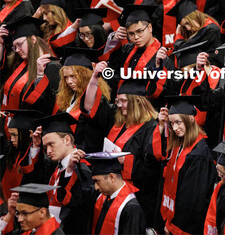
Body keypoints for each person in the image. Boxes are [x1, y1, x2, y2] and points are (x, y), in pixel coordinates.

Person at [83, 71, 161, 227]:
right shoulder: (119, 121)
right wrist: (93, 79)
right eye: (118, 101)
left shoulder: (152, 128)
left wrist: (125, 160)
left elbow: (153, 169)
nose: (119, 105)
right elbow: (90, 107)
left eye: (124, 101)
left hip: (136, 199)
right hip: (111, 191)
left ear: (137, 102)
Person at [158, 95, 216, 235]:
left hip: (186, 226)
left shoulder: (198, 154)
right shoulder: (180, 144)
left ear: (190, 119)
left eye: (178, 122)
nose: (175, 128)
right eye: (172, 124)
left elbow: (191, 199)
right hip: (172, 218)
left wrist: (173, 226)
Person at [27, 113, 92, 235]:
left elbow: (81, 208)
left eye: (51, 144)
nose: (48, 151)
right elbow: (33, 182)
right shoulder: (56, 167)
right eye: (45, 146)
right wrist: (36, 146)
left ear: (67, 139)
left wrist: (69, 172)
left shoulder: (83, 168)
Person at [72, 152, 147, 235]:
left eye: (97, 181)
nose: (96, 187)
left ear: (112, 177)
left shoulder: (131, 208)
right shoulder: (100, 196)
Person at [1, 17, 61, 116]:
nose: (17, 50)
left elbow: (50, 107)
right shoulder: (21, 64)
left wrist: (40, 77)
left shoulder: (52, 67)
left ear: (33, 39)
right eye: (14, 47)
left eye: (19, 44)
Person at [56, 48, 111, 153]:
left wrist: (94, 78)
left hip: (88, 157)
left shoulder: (97, 99)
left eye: (73, 76)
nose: (69, 81)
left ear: (85, 76)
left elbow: (88, 104)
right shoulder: (69, 100)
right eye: (66, 78)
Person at [101, 4, 160, 92]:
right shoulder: (127, 50)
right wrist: (114, 40)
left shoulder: (160, 57)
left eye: (139, 31)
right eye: (131, 34)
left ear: (150, 28)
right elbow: (112, 73)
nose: (136, 37)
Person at [1, 110, 45, 201]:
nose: (12, 139)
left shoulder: (39, 153)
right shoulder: (10, 149)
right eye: (10, 135)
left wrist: (35, 147)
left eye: (14, 135)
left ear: (30, 133)